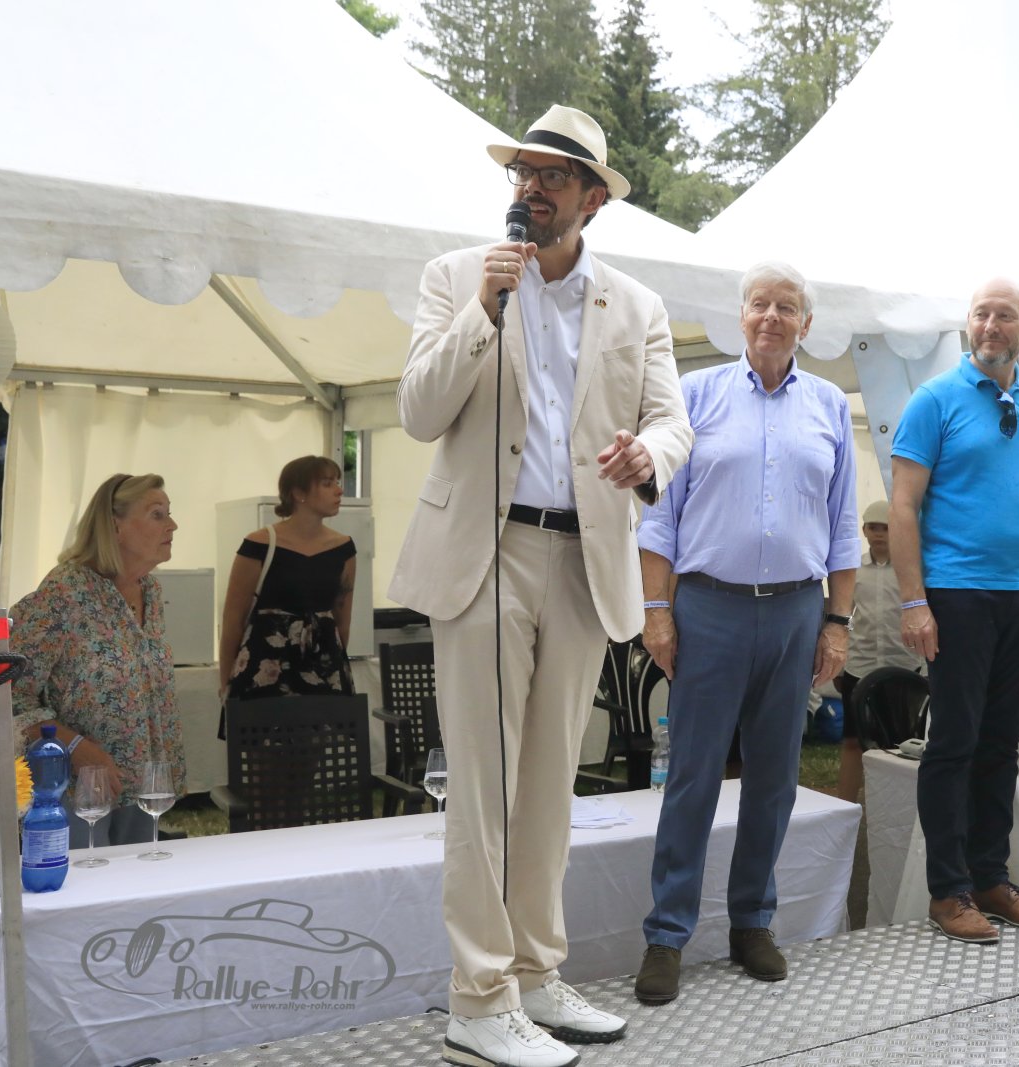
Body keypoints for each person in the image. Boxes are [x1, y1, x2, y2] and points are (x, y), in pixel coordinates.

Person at [388, 104, 692, 1067]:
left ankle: (532, 973)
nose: (531, 187)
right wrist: (483, 311)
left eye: (553, 175)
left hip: (585, 556)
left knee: (550, 786)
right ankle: (477, 998)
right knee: (483, 785)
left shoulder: (635, 305)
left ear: (593, 199)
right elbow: (418, 411)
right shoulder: (458, 277)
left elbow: (674, 423)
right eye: (522, 171)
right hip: (487, 551)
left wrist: (648, 455)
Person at [634, 260, 858, 1004]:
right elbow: (659, 517)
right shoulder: (694, 395)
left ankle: (752, 921)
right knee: (693, 775)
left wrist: (836, 622)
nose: (771, 316)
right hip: (709, 608)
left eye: (786, 307)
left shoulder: (828, 404)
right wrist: (657, 610)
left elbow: (843, 526)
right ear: (741, 317)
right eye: (759, 304)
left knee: (774, 778)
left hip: (796, 610)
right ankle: (667, 933)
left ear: (806, 324)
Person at [891, 278, 1019, 944]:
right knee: (954, 743)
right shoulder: (934, 399)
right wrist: (914, 601)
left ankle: (991, 878)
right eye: (981, 314)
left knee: (1002, 744)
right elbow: (903, 506)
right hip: (958, 593)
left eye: (1005, 315)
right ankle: (948, 890)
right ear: (967, 324)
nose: (991, 325)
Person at [11, 473, 183, 846]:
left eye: (169, 514)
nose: (172, 525)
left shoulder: (151, 591)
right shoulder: (64, 592)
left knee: (142, 878)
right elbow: (11, 693)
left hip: (142, 784)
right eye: (157, 514)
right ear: (114, 526)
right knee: (85, 877)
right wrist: (76, 748)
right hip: (75, 788)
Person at [217, 456, 355, 731]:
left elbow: (342, 621)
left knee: (317, 749)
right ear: (298, 492)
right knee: (260, 750)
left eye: (337, 482)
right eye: (327, 483)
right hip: (265, 663)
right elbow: (232, 620)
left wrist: (335, 668)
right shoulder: (259, 543)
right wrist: (225, 683)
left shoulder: (343, 548)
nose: (339, 490)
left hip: (322, 664)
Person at [834, 498, 924, 802]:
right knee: (852, 741)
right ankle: (846, 809)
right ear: (863, 530)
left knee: (903, 743)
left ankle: (895, 810)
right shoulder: (854, 570)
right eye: (873, 527)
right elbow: (844, 615)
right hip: (859, 666)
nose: (879, 534)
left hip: (903, 666)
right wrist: (841, 661)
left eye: (885, 528)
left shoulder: (912, 570)